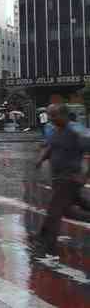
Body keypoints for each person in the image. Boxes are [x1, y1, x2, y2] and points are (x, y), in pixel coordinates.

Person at [35, 103, 90, 248]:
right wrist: (41, 159)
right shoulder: (55, 131)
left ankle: (45, 241)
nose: (51, 118)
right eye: (50, 115)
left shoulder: (76, 133)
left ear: (64, 115)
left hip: (70, 179)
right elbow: (51, 147)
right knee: (68, 210)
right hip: (58, 179)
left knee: (54, 210)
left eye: (54, 115)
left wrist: (85, 176)